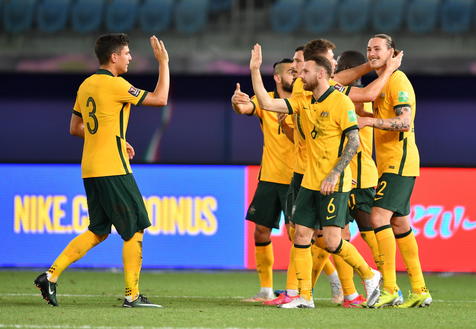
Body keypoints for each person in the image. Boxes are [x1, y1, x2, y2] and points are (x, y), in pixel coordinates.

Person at [34, 33, 170, 308]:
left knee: (98, 230)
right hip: (113, 167)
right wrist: (164, 62)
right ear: (114, 56)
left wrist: (115, 137)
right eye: (128, 53)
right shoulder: (115, 84)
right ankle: (132, 295)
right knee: (135, 229)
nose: (130, 57)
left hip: (91, 168)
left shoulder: (85, 86)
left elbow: (75, 128)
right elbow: (160, 98)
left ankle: (51, 276)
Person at [249, 44, 381, 309]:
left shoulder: (340, 101)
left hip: (334, 183)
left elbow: (353, 141)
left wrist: (334, 174)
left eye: (305, 70)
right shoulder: (303, 101)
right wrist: (254, 70)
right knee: (301, 235)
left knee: (333, 241)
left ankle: (369, 275)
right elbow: (266, 102)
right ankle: (305, 296)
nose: (300, 74)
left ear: (321, 74)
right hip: (309, 179)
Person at [358, 34, 432, 308]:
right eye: (369, 49)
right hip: (390, 163)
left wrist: (369, 121)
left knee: (378, 216)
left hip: (399, 162)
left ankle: (389, 288)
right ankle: (420, 290)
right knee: (400, 224)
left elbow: (404, 123)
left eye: (377, 48)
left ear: (392, 53)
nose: (372, 53)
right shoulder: (380, 82)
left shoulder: (398, 81)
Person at [231, 59, 295, 302]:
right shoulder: (265, 99)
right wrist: (236, 102)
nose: (296, 75)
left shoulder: (303, 100)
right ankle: (266, 289)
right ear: (278, 78)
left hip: (296, 179)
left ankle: (306, 288)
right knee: (260, 232)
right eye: (291, 72)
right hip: (269, 177)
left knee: (298, 235)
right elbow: (245, 108)